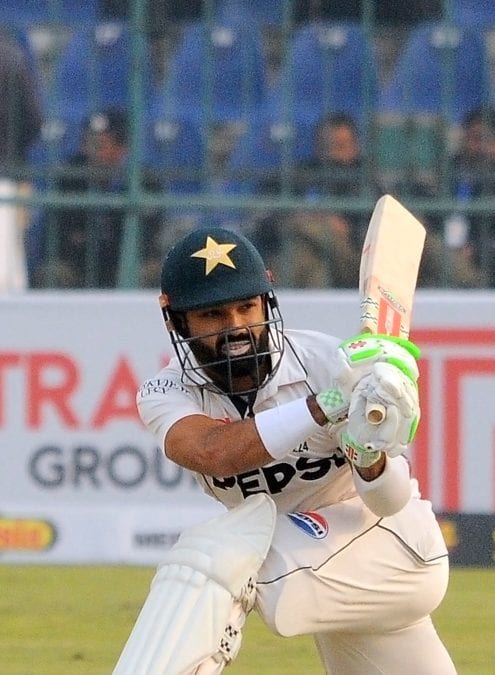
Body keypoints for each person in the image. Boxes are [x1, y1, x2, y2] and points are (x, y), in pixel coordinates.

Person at [119, 226, 456, 673]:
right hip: (318, 570)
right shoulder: (167, 392)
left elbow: (389, 501)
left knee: (213, 558)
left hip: (393, 552)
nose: (236, 327)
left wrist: (366, 451)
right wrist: (328, 405)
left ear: (267, 301)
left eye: (246, 307)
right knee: (233, 549)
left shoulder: (325, 363)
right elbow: (213, 453)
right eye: (213, 315)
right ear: (177, 320)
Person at [30, 108, 164, 288]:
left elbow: (147, 240)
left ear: (122, 149)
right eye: (85, 143)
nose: (89, 152)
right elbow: (58, 238)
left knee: (153, 274)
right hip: (77, 267)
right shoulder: (69, 178)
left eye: (98, 145)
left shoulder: (145, 182)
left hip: (125, 267)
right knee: (53, 274)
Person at [250, 112, 372, 288]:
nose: (332, 154)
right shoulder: (297, 177)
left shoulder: (367, 183)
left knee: (305, 244)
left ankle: (268, 297)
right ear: (316, 146)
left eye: (340, 147)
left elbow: (374, 233)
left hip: (350, 262)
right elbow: (262, 218)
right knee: (310, 259)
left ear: (355, 147)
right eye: (325, 146)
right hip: (305, 254)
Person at [418, 104, 495, 289]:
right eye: (472, 139)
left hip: (483, 276)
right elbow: (422, 205)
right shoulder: (443, 176)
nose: (477, 147)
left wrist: (476, 251)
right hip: (432, 262)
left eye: (486, 140)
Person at [0, 27, 40, 293]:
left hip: (5, 171)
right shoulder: (10, 54)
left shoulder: (7, 55)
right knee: (6, 270)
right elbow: (34, 121)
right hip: (5, 172)